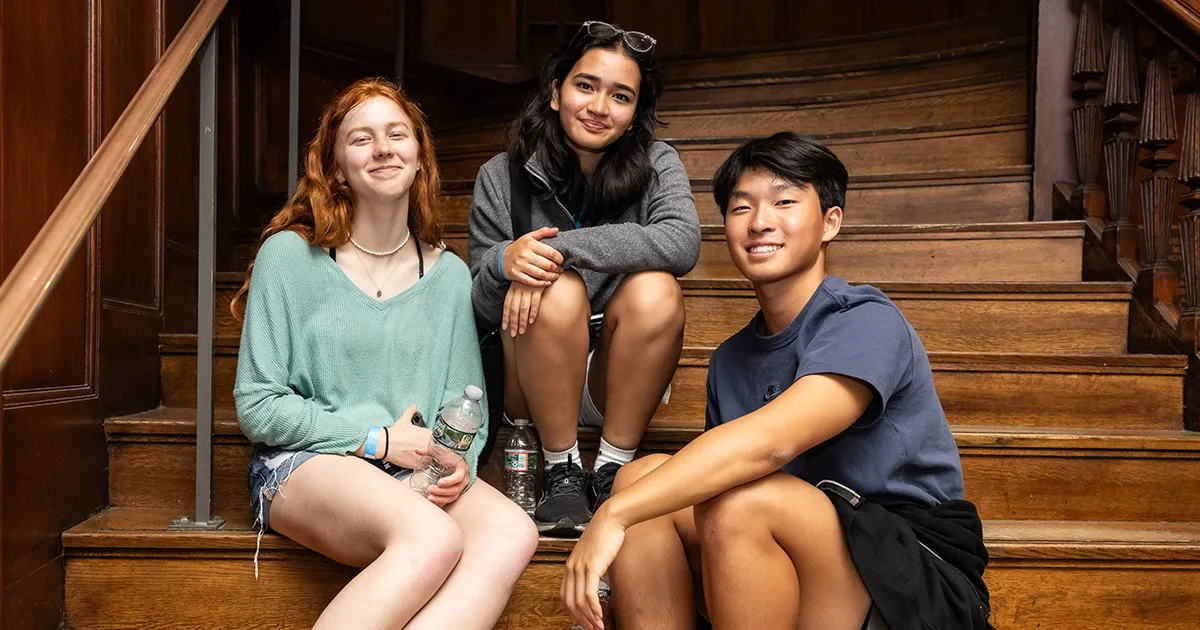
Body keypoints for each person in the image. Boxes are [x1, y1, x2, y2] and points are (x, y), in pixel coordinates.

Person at [561, 133, 992, 630]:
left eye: (784, 201)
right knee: (643, 481)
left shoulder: (866, 320)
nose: (760, 221)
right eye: (741, 207)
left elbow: (769, 445)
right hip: (793, 560)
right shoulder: (729, 360)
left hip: (912, 574)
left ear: (830, 222)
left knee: (735, 500)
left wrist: (611, 514)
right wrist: (628, 503)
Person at [231, 77, 538, 630]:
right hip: (306, 462)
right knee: (433, 537)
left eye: (397, 134)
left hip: (410, 467)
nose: (382, 148)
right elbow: (258, 404)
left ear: (419, 158)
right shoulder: (290, 256)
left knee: (515, 532)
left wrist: (453, 463)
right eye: (360, 139)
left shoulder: (445, 275)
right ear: (335, 169)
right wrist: (376, 439)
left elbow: (462, 398)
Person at [468, 21, 701, 537]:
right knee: (557, 289)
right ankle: (563, 469)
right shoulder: (499, 177)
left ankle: (612, 467)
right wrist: (504, 264)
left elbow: (682, 243)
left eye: (621, 96)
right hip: (528, 377)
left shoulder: (657, 163)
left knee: (657, 288)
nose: (599, 107)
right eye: (585, 86)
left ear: (636, 113)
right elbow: (480, 310)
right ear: (555, 92)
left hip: (614, 377)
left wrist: (556, 251)